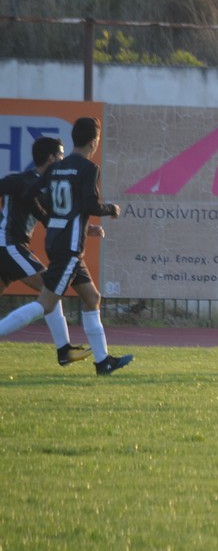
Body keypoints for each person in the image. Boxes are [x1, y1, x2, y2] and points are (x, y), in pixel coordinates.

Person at [0, 118, 133, 375]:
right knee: (46, 302)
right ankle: (67, 351)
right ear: (94, 142)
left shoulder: (55, 170)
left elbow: (33, 198)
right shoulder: (88, 168)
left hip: (62, 243)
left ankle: (103, 361)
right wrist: (111, 209)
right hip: (65, 247)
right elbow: (90, 205)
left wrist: (56, 220)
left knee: (92, 298)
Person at [0, 137, 94, 366]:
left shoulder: (46, 184)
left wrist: (86, 228)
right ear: (51, 158)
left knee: (51, 290)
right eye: (61, 155)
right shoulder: (21, 180)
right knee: (50, 289)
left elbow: (51, 216)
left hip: (12, 247)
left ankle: (64, 351)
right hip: (8, 245)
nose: (63, 159)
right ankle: (64, 350)